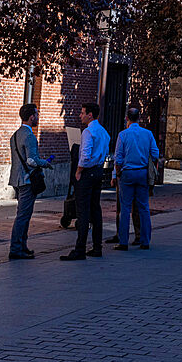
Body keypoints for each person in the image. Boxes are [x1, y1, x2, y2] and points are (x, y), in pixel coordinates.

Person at [61, 102, 110, 261]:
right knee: (95, 209)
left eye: (82, 113)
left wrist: (79, 170)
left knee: (82, 210)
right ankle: (97, 246)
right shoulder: (103, 132)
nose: (80, 115)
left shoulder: (88, 132)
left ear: (90, 115)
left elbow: (85, 155)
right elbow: (105, 151)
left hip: (87, 172)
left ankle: (80, 248)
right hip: (98, 171)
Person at [8, 103, 54, 261]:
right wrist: (45, 163)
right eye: (37, 114)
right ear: (31, 117)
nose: (38, 117)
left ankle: (22, 246)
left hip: (16, 178)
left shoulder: (15, 135)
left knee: (22, 214)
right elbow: (31, 160)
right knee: (23, 215)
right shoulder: (29, 136)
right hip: (27, 180)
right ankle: (16, 248)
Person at [114, 106, 159, 250]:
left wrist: (118, 173)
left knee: (125, 208)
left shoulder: (123, 135)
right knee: (143, 207)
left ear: (127, 118)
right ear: (139, 118)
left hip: (127, 173)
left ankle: (123, 241)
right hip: (142, 173)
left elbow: (118, 158)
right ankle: (145, 241)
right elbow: (155, 154)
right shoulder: (148, 134)